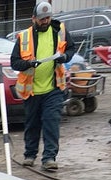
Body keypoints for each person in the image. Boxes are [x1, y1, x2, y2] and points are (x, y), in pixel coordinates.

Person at [10, 2, 75, 171]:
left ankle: (49, 158)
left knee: (51, 122)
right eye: (41, 19)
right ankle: (30, 155)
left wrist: (64, 57)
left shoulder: (59, 30)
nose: (45, 21)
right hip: (31, 90)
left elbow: (71, 48)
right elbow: (14, 62)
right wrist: (29, 63)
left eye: (47, 18)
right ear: (34, 19)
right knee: (32, 124)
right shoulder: (24, 37)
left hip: (53, 88)